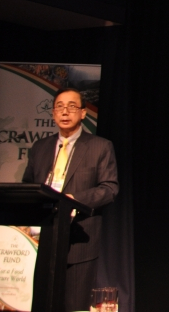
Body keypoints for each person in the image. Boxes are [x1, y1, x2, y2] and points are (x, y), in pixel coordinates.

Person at [22, 87, 119, 312]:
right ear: (53, 113)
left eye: (72, 106)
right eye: (60, 107)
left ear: (83, 113)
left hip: (79, 240)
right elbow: (28, 185)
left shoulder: (100, 146)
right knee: (42, 304)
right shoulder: (40, 147)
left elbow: (110, 188)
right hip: (43, 239)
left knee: (74, 306)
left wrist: (74, 200)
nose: (65, 112)